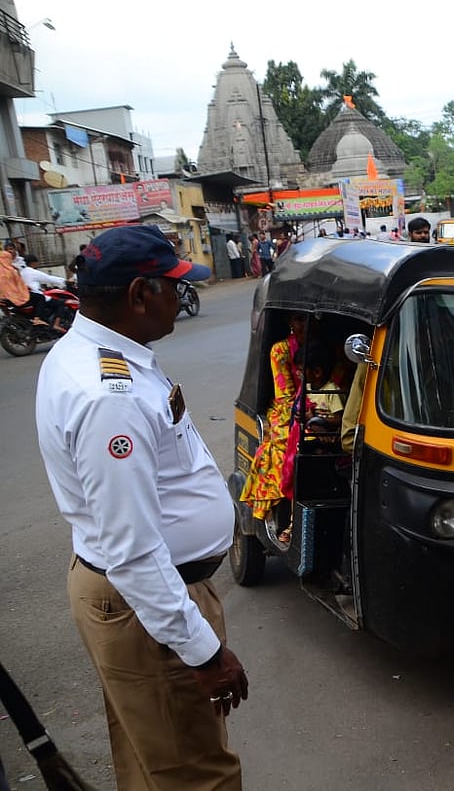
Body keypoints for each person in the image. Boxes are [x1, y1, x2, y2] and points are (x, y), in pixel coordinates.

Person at [34, 225, 248, 789]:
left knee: (151, 761)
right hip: (149, 604)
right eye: (173, 286)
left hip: (141, 597)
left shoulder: (98, 354)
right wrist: (203, 652)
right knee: (195, 774)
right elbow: (132, 550)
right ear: (138, 295)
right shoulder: (112, 397)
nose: (182, 296)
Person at [240, 312, 307, 544]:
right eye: (299, 319)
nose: (305, 325)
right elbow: (285, 395)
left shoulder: (329, 348)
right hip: (289, 411)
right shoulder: (281, 351)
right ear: (290, 322)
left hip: (321, 406)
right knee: (287, 450)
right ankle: (289, 519)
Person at [20, 254, 71, 332]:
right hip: (34, 296)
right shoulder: (32, 272)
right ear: (33, 263)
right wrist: (65, 281)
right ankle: (56, 324)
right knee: (61, 303)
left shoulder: (21, 272)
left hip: (25, 297)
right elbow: (48, 278)